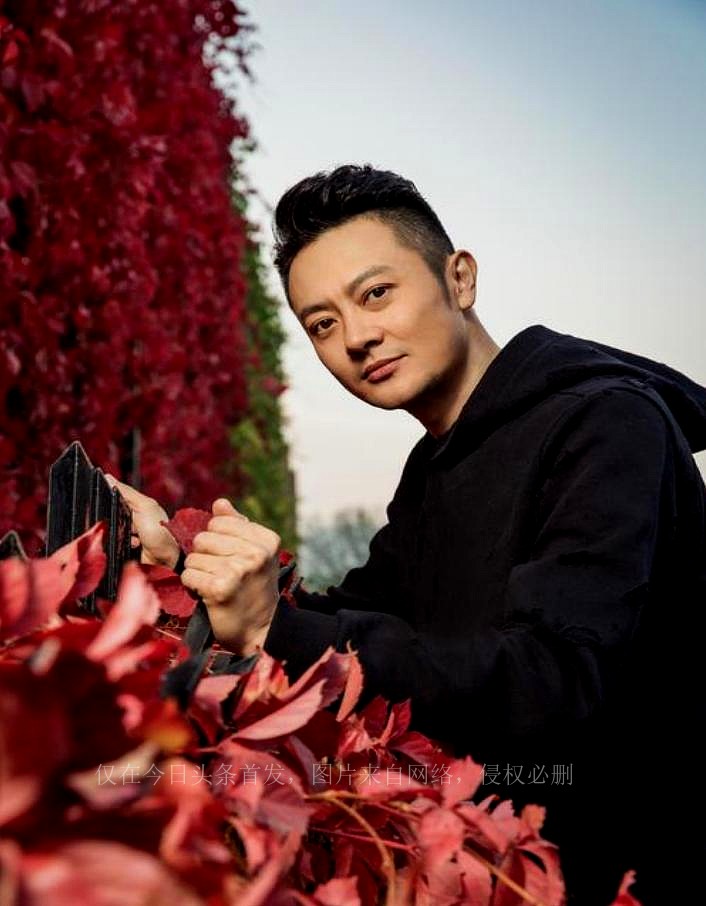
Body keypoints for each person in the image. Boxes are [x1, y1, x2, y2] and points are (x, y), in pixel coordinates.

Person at [112, 165, 706, 904]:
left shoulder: (607, 423)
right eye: (322, 324)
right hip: (488, 872)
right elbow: (355, 613)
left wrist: (273, 627)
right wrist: (181, 562)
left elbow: (554, 682)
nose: (358, 338)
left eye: (375, 294)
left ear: (460, 278)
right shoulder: (433, 467)